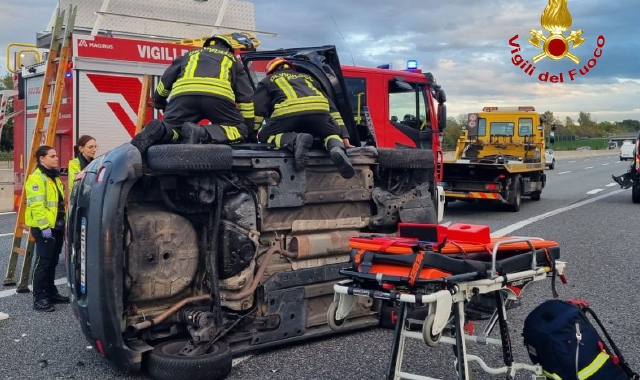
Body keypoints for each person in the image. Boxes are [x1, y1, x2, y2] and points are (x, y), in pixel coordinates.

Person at [130, 34, 255, 154]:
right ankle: (201, 133)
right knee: (239, 130)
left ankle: (161, 129)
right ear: (228, 48)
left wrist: (160, 101)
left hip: (183, 97)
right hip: (217, 99)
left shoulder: (188, 55)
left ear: (206, 47)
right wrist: (249, 129)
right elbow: (246, 98)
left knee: (175, 128)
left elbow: (165, 81)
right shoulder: (232, 59)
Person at [254, 57, 355, 179]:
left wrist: (253, 132)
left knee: (264, 135)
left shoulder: (267, 80)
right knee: (330, 133)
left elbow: (259, 110)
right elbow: (333, 109)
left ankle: (295, 140)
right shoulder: (309, 78)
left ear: (271, 71)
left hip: (288, 113)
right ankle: (336, 148)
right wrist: (343, 135)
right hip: (319, 111)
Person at [25, 145, 69, 312]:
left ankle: (51, 293)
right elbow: (37, 206)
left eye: (56, 155)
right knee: (43, 263)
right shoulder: (37, 178)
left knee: (52, 262)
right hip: (44, 228)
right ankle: (39, 298)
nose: (56, 158)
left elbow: (58, 204)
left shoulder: (53, 177)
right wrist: (44, 226)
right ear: (42, 159)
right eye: (52, 156)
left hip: (56, 227)